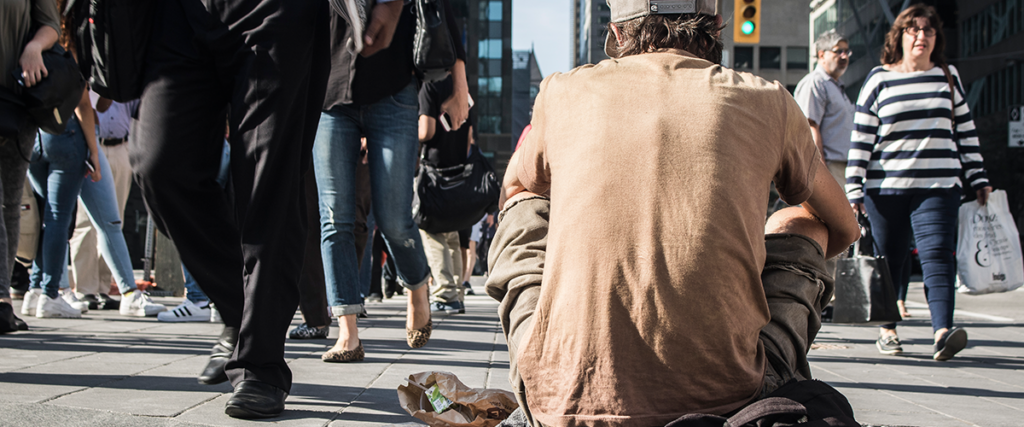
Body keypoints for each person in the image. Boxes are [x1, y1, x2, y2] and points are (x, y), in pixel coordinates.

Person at [484, 0, 860, 425]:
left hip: (557, 403)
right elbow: (843, 226)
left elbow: (514, 190)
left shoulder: (561, 91)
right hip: (729, 398)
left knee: (523, 201)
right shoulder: (767, 99)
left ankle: (556, 354)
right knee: (802, 222)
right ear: (716, 25)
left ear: (619, 33)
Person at [123, 0, 400, 417]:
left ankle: (261, 364)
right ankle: (243, 310)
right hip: (180, 13)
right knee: (160, 166)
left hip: (276, 12)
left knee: (269, 185)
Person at [312, 0, 469, 363]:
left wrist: (459, 85)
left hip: (393, 90)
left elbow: (438, 10)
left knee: (395, 218)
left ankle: (417, 288)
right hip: (330, 94)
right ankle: (347, 333)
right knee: (335, 217)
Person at [847, 4, 991, 361]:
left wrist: (979, 177)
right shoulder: (879, 79)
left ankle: (942, 332)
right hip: (886, 188)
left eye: (928, 31)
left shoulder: (947, 76)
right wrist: (853, 187)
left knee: (938, 255)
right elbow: (861, 137)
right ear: (900, 37)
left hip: (939, 185)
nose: (922, 36)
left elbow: (966, 133)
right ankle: (888, 330)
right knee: (891, 258)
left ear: (936, 38)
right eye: (913, 30)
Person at [65, 93, 166, 316]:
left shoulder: (124, 75)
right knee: (85, 222)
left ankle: (103, 287)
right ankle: (85, 289)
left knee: (113, 219)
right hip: (93, 145)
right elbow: (95, 107)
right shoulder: (88, 74)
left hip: (121, 146)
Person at [0, 0, 60, 332]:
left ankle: (5, 298)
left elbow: (51, 24)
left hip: (17, 100)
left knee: (11, 203)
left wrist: (35, 46)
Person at [417, 75, 476, 315]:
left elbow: (426, 131)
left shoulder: (429, 86)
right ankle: (457, 293)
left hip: (434, 169)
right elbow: (470, 137)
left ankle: (444, 294)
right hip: (457, 169)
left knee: (432, 231)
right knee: (452, 235)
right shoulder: (463, 89)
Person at [793, 30, 855, 193]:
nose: (844, 56)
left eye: (846, 51)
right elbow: (809, 127)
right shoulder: (815, 82)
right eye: (838, 51)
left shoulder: (836, 86)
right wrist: (821, 174)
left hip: (842, 168)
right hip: (828, 168)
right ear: (821, 55)